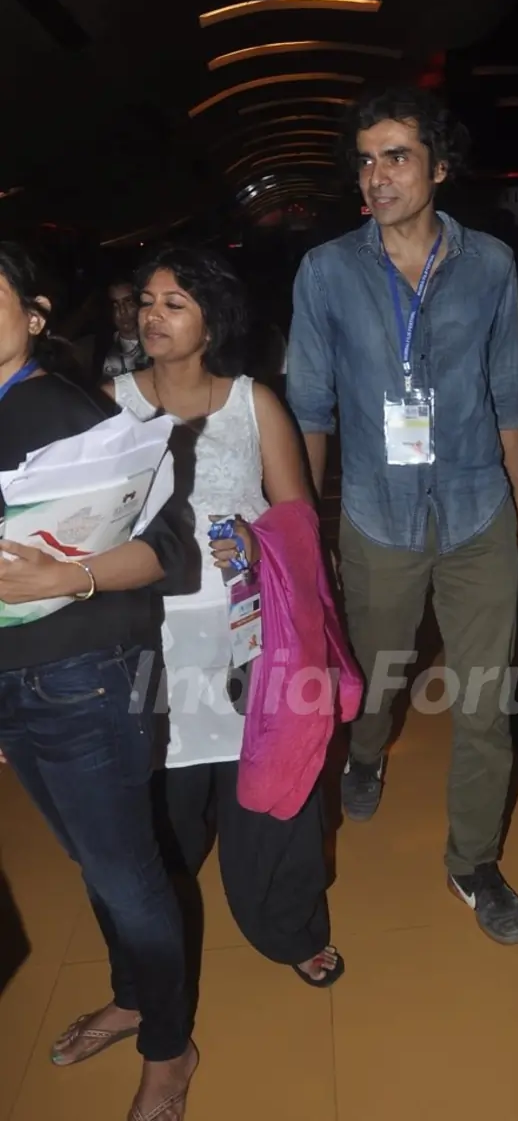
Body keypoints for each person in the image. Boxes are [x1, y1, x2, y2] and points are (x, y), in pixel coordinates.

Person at [287, 86, 518, 945]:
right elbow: (310, 410)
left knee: (484, 703)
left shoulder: (493, 265)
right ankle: (365, 751)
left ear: (439, 165)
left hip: (478, 510)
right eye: (365, 158)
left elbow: (509, 391)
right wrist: (301, 534)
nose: (377, 174)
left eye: (396, 155)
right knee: (377, 666)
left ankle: (472, 861)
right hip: (377, 516)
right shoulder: (326, 271)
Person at [110, 246, 343, 993]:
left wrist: (255, 535)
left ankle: (289, 923)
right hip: (152, 638)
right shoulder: (111, 404)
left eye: (175, 302)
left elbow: (299, 515)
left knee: (271, 785)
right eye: (148, 300)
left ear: (212, 320)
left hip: (250, 635)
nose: (154, 315)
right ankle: (156, 930)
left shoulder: (252, 402)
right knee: (162, 794)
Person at [0, 243, 197, 1120]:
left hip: (85, 676)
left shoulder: (65, 411)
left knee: (127, 874)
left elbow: (171, 548)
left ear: (34, 313)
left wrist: (66, 578)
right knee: (95, 858)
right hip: (17, 686)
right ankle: (132, 996)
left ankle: (170, 1043)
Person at [93, 275, 150, 381]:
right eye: (115, 305)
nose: (122, 311)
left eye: (128, 301)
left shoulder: (158, 345)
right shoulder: (99, 348)